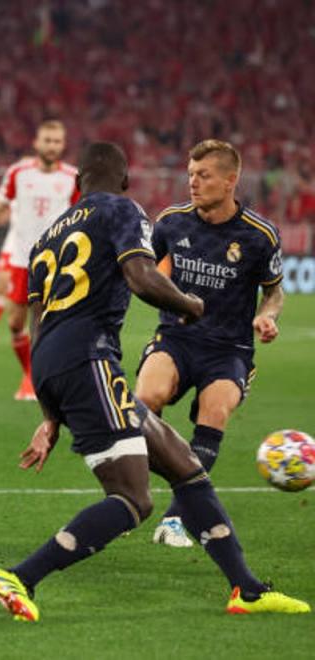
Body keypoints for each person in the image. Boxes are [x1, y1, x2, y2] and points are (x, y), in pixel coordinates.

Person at [0, 142, 309, 621]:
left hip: (53, 361)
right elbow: (139, 275)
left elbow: (37, 320)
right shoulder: (122, 209)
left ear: (77, 183)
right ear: (127, 180)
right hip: (90, 360)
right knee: (133, 499)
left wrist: (49, 412)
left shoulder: (47, 236)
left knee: (186, 467)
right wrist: (190, 305)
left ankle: (246, 589)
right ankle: (20, 576)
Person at [137, 140, 285, 548]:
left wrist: (266, 316)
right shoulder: (171, 222)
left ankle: (174, 520)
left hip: (229, 350)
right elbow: (141, 269)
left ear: (230, 180)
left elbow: (274, 292)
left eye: (203, 176)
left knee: (215, 409)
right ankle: (141, 487)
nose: (193, 183)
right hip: (177, 337)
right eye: (190, 175)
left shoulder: (260, 235)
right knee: (144, 399)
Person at [0, 120, 78, 400]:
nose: (51, 146)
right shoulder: (18, 173)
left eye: (57, 141)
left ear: (63, 145)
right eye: (47, 140)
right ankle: (29, 372)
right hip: (21, 260)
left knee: (48, 324)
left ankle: (38, 380)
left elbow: (82, 215)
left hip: (56, 262)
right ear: (36, 143)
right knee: (15, 323)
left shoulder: (72, 177)